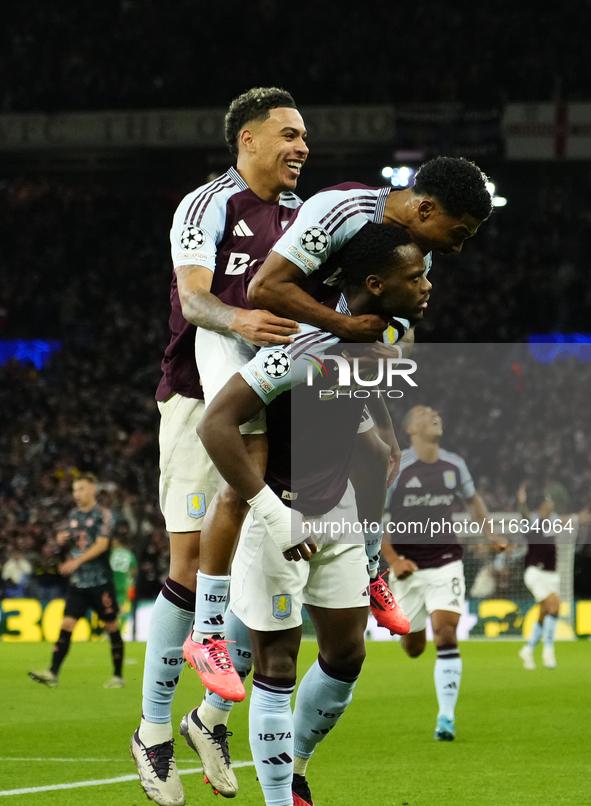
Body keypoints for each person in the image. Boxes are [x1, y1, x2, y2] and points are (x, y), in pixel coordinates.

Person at [186, 156, 493, 696]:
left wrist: (381, 389)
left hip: (311, 345)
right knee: (248, 461)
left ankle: (372, 568)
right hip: (239, 327)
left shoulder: (414, 253)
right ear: (424, 208)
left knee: (375, 456)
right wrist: (345, 327)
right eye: (459, 232)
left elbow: (397, 331)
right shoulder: (342, 208)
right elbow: (264, 289)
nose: (459, 247)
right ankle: (206, 632)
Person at [196, 223, 430, 806]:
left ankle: (293, 770)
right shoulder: (303, 344)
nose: (428, 285)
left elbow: (349, 401)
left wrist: (373, 435)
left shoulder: (386, 336)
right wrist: (273, 517)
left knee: (348, 653)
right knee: (275, 666)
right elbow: (216, 424)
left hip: (338, 517)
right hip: (282, 522)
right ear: (375, 285)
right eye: (416, 277)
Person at [131, 86, 308, 806]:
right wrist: (247, 319)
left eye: (305, 138)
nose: (301, 147)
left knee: (262, 565)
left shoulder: (305, 215)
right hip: (198, 398)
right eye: (289, 135)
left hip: (273, 400)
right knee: (189, 560)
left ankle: (210, 719)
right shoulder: (207, 205)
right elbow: (197, 300)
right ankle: (151, 730)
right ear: (248, 140)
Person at [381, 406, 506, 740]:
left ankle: (446, 719)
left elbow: (473, 501)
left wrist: (490, 533)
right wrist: (392, 559)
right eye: (424, 413)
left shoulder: (455, 464)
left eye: (435, 411)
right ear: (410, 429)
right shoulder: (399, 467)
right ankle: (411, 635)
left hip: (446, 560)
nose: (434, 414)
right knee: (414, 647)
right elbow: (373, 516)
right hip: (407, 567)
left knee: (446, 633)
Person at [28, 474, 124, 689]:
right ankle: (52, 673)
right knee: (66, 625)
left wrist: (76, 562)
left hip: (100, 582)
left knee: (112, 626)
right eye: (74, 490)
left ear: (93, 490)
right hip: (79, 583)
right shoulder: (73, 516)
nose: (76, 494)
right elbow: (71, 546)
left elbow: (101, 544)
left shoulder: (104, 515)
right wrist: (61, 543)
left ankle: (118, 675)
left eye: (81, 489)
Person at [517, 483, 560, 670]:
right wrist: (521, 503)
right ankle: (548, 650)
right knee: (555, 607)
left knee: (545, 613)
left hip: (552, 573)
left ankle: (528, 649)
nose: (551, 505)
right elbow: (525, 517)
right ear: (542, 506)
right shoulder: (534, 521)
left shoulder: (553, 520)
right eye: (548, 502)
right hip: (536, 572)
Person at [109, 522, 138, 608]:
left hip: (112, 583)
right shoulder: (129, 555)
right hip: (125, 585)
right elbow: (134, 571)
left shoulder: (111, 553)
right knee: (123, 609)